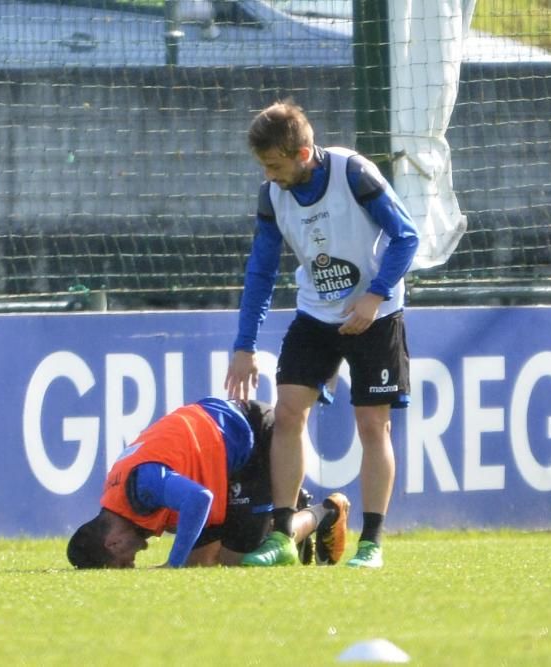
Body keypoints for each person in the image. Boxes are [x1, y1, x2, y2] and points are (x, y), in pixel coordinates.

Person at [225, 101, 418, 568]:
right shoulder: (272, 195)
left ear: (304, 153)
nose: (269, 175)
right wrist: (245, 345)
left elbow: (406, 236)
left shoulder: (353, 173)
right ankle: (283, 537)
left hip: (376, 314)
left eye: (275, 165)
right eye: (263, 166)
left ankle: (370, 545)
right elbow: (261, 270)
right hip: (315, 315)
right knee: (288, 415)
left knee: (374, 426)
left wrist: (373, 296)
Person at [66, 397, 350, 569]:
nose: (136, 558)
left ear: (113, 542)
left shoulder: (141, 485)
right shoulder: (120, 493)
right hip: (222, 456)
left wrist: (172, 564)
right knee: (200, 563)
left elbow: (199, 499)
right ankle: (274, 515)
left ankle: (323, 513)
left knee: (239, 560)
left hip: (252, 436)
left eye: (124, 563)